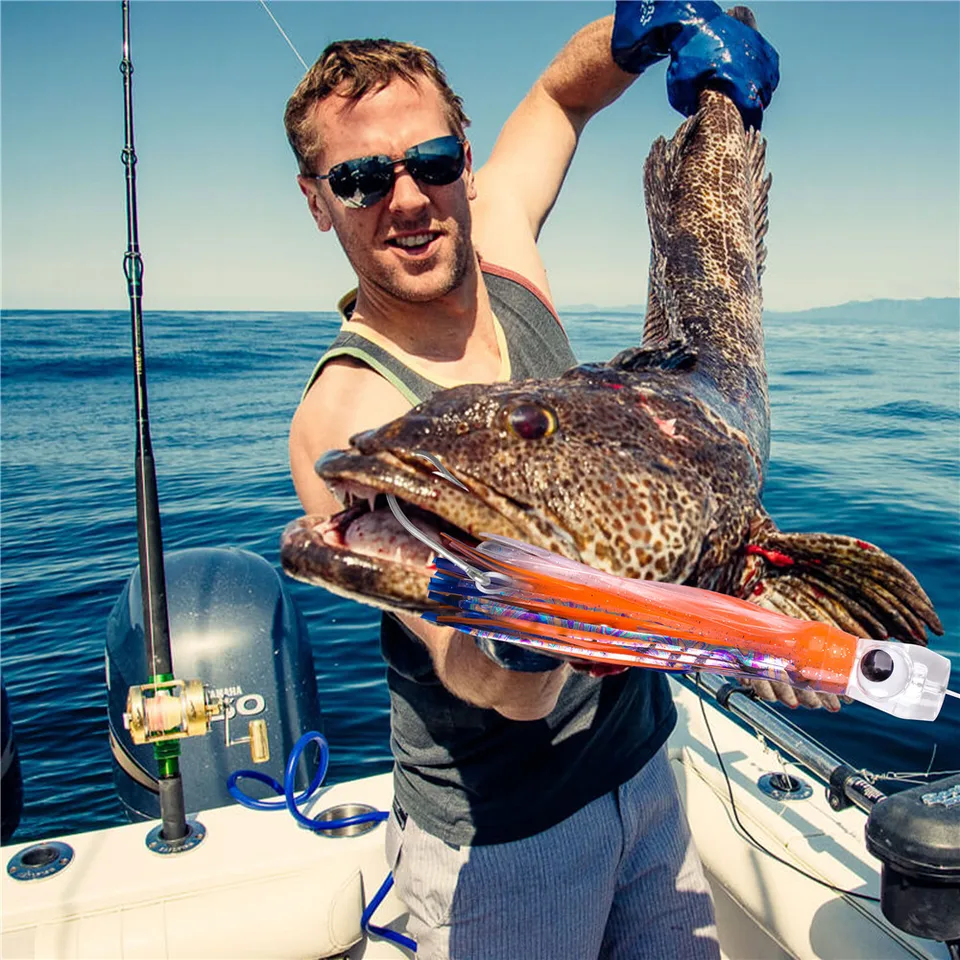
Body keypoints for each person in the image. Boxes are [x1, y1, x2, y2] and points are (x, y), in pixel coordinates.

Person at [285, 4, 781, 957]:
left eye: (431, 160)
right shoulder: (347, 417)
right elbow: (466, 669)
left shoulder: (501, 246)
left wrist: (655, 25)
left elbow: (563, 93)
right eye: (359, 178)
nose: (408, 199)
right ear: (319, 200)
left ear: (463, 158)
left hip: (644, 768)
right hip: (504, 843)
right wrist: (521, 639)